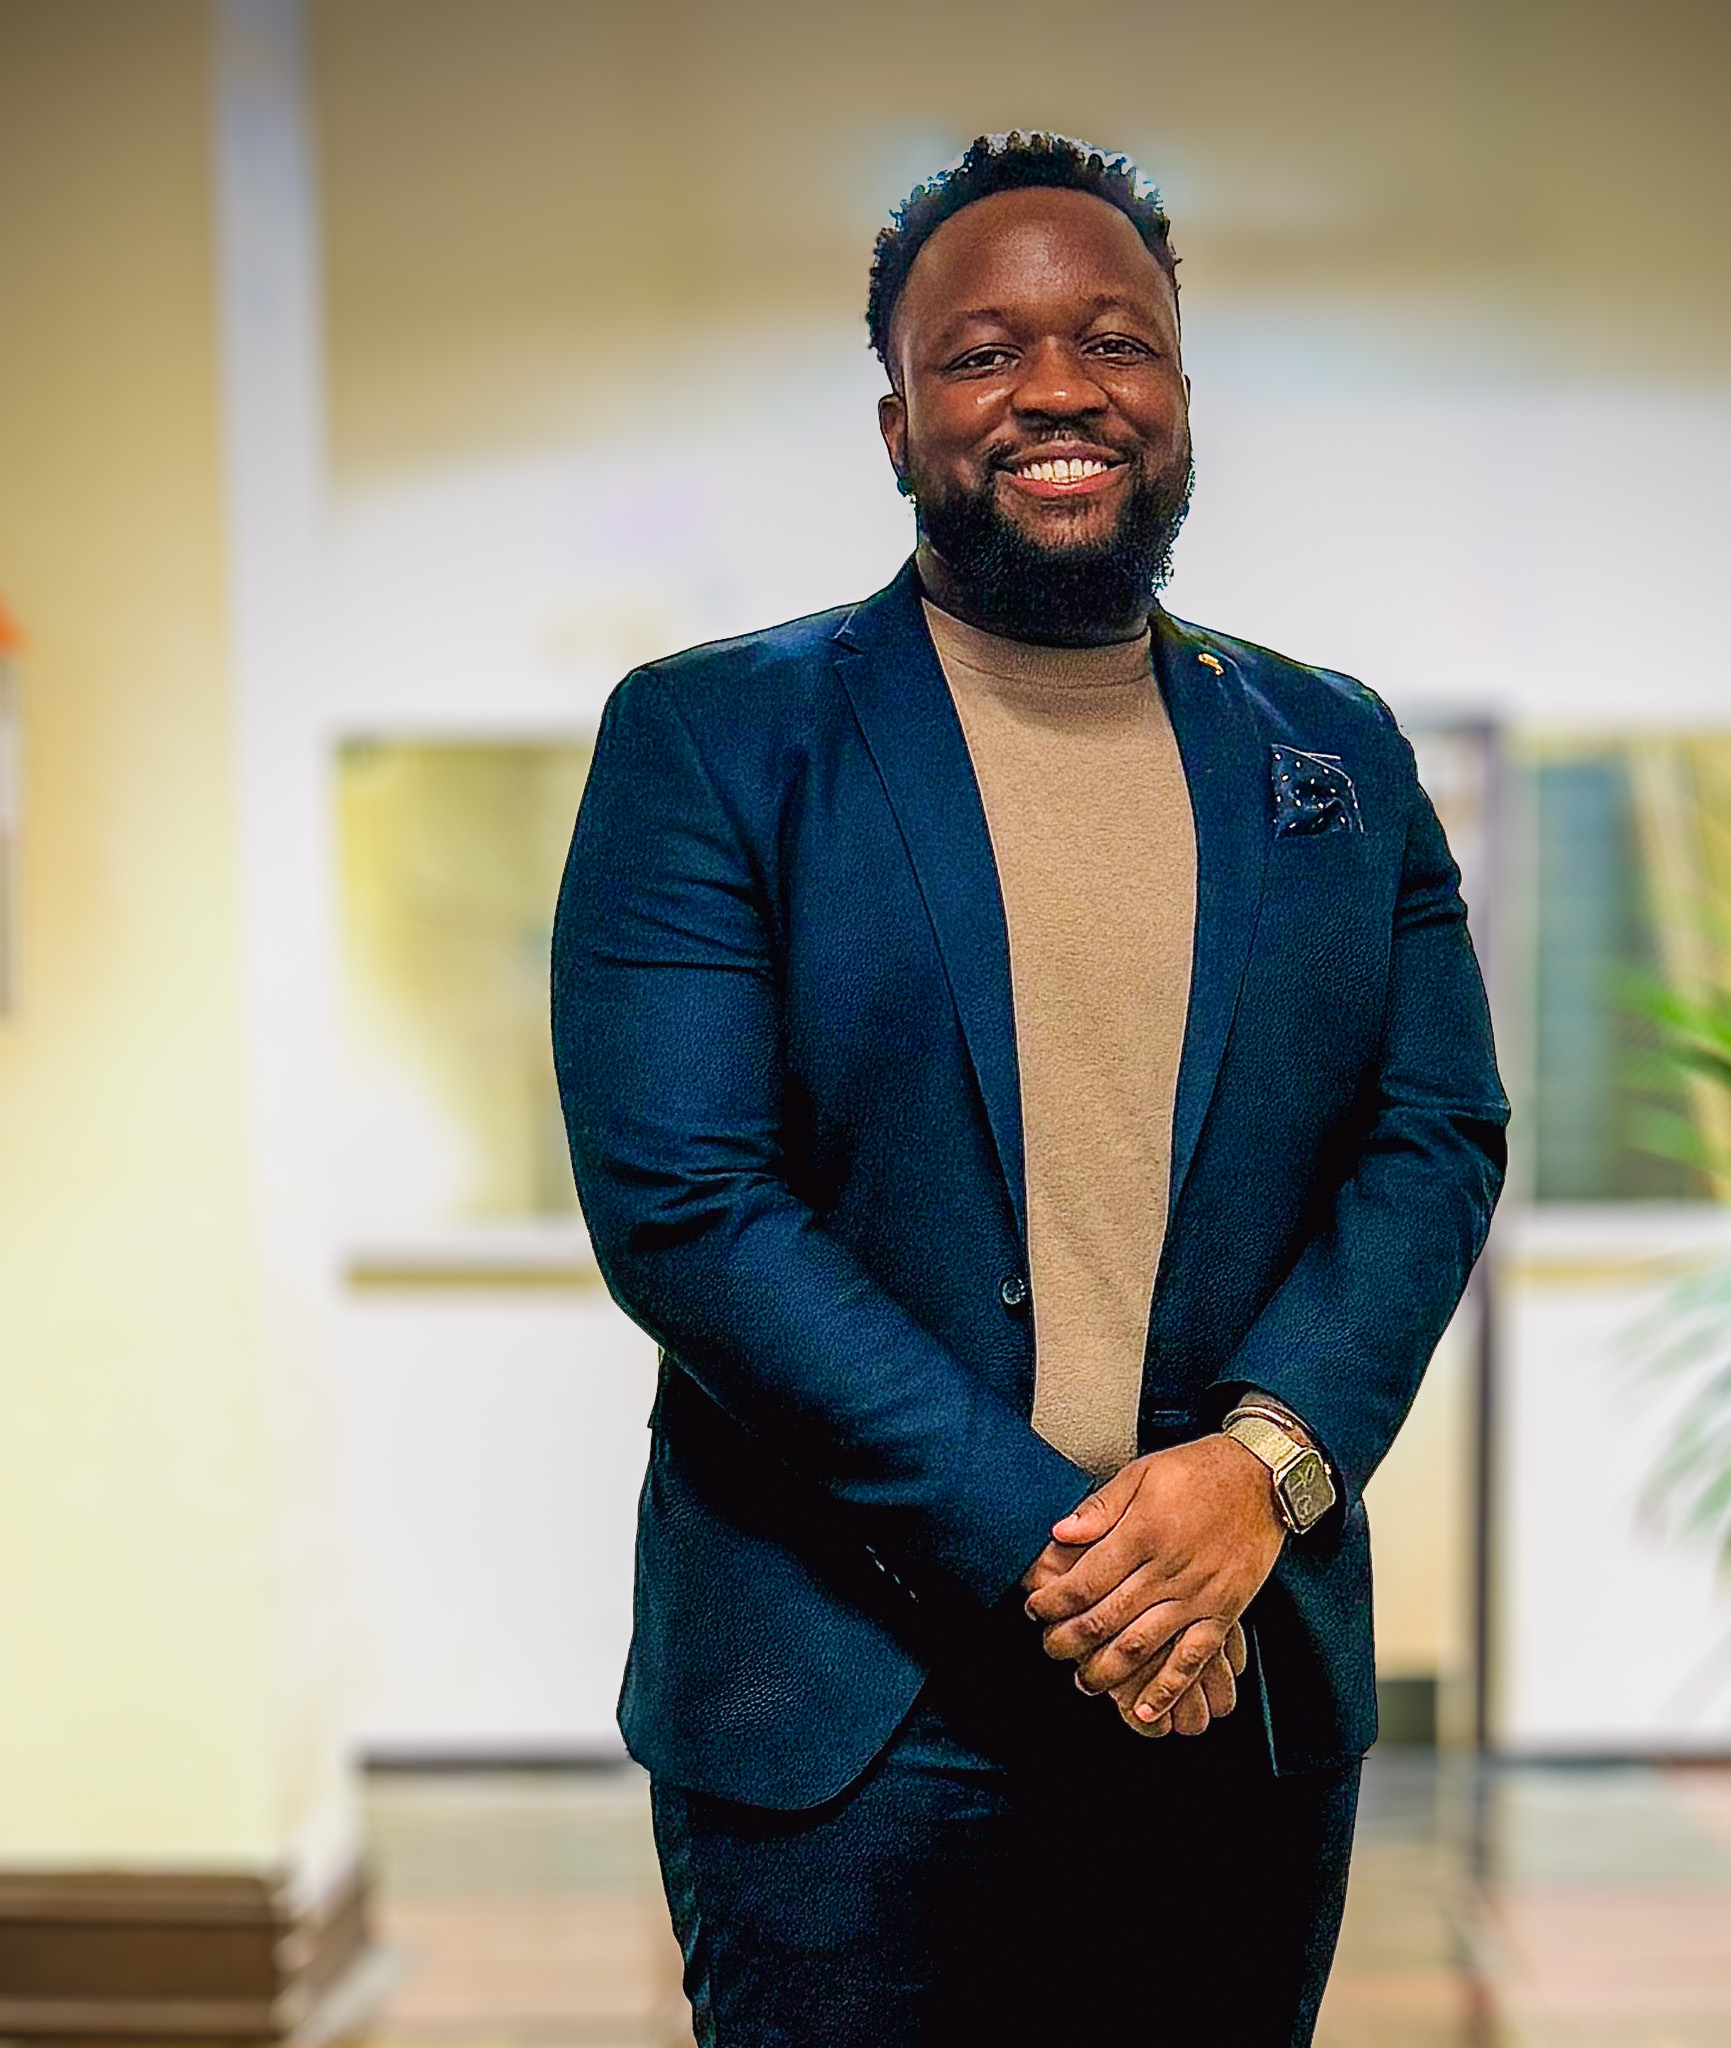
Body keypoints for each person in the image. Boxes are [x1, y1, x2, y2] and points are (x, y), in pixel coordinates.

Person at [552, 130, 1508, 2048]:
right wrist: (1085, 1568)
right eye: (983, 352)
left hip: (1238, 1675)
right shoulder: (716, 741)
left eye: (1118, 341)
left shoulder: (1336, 752)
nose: (1060, 387)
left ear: (1177, 394)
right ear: (897, 426)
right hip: (853, 1704)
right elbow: (693, 1208)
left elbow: (1433, 1138)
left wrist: (1262, 1472)